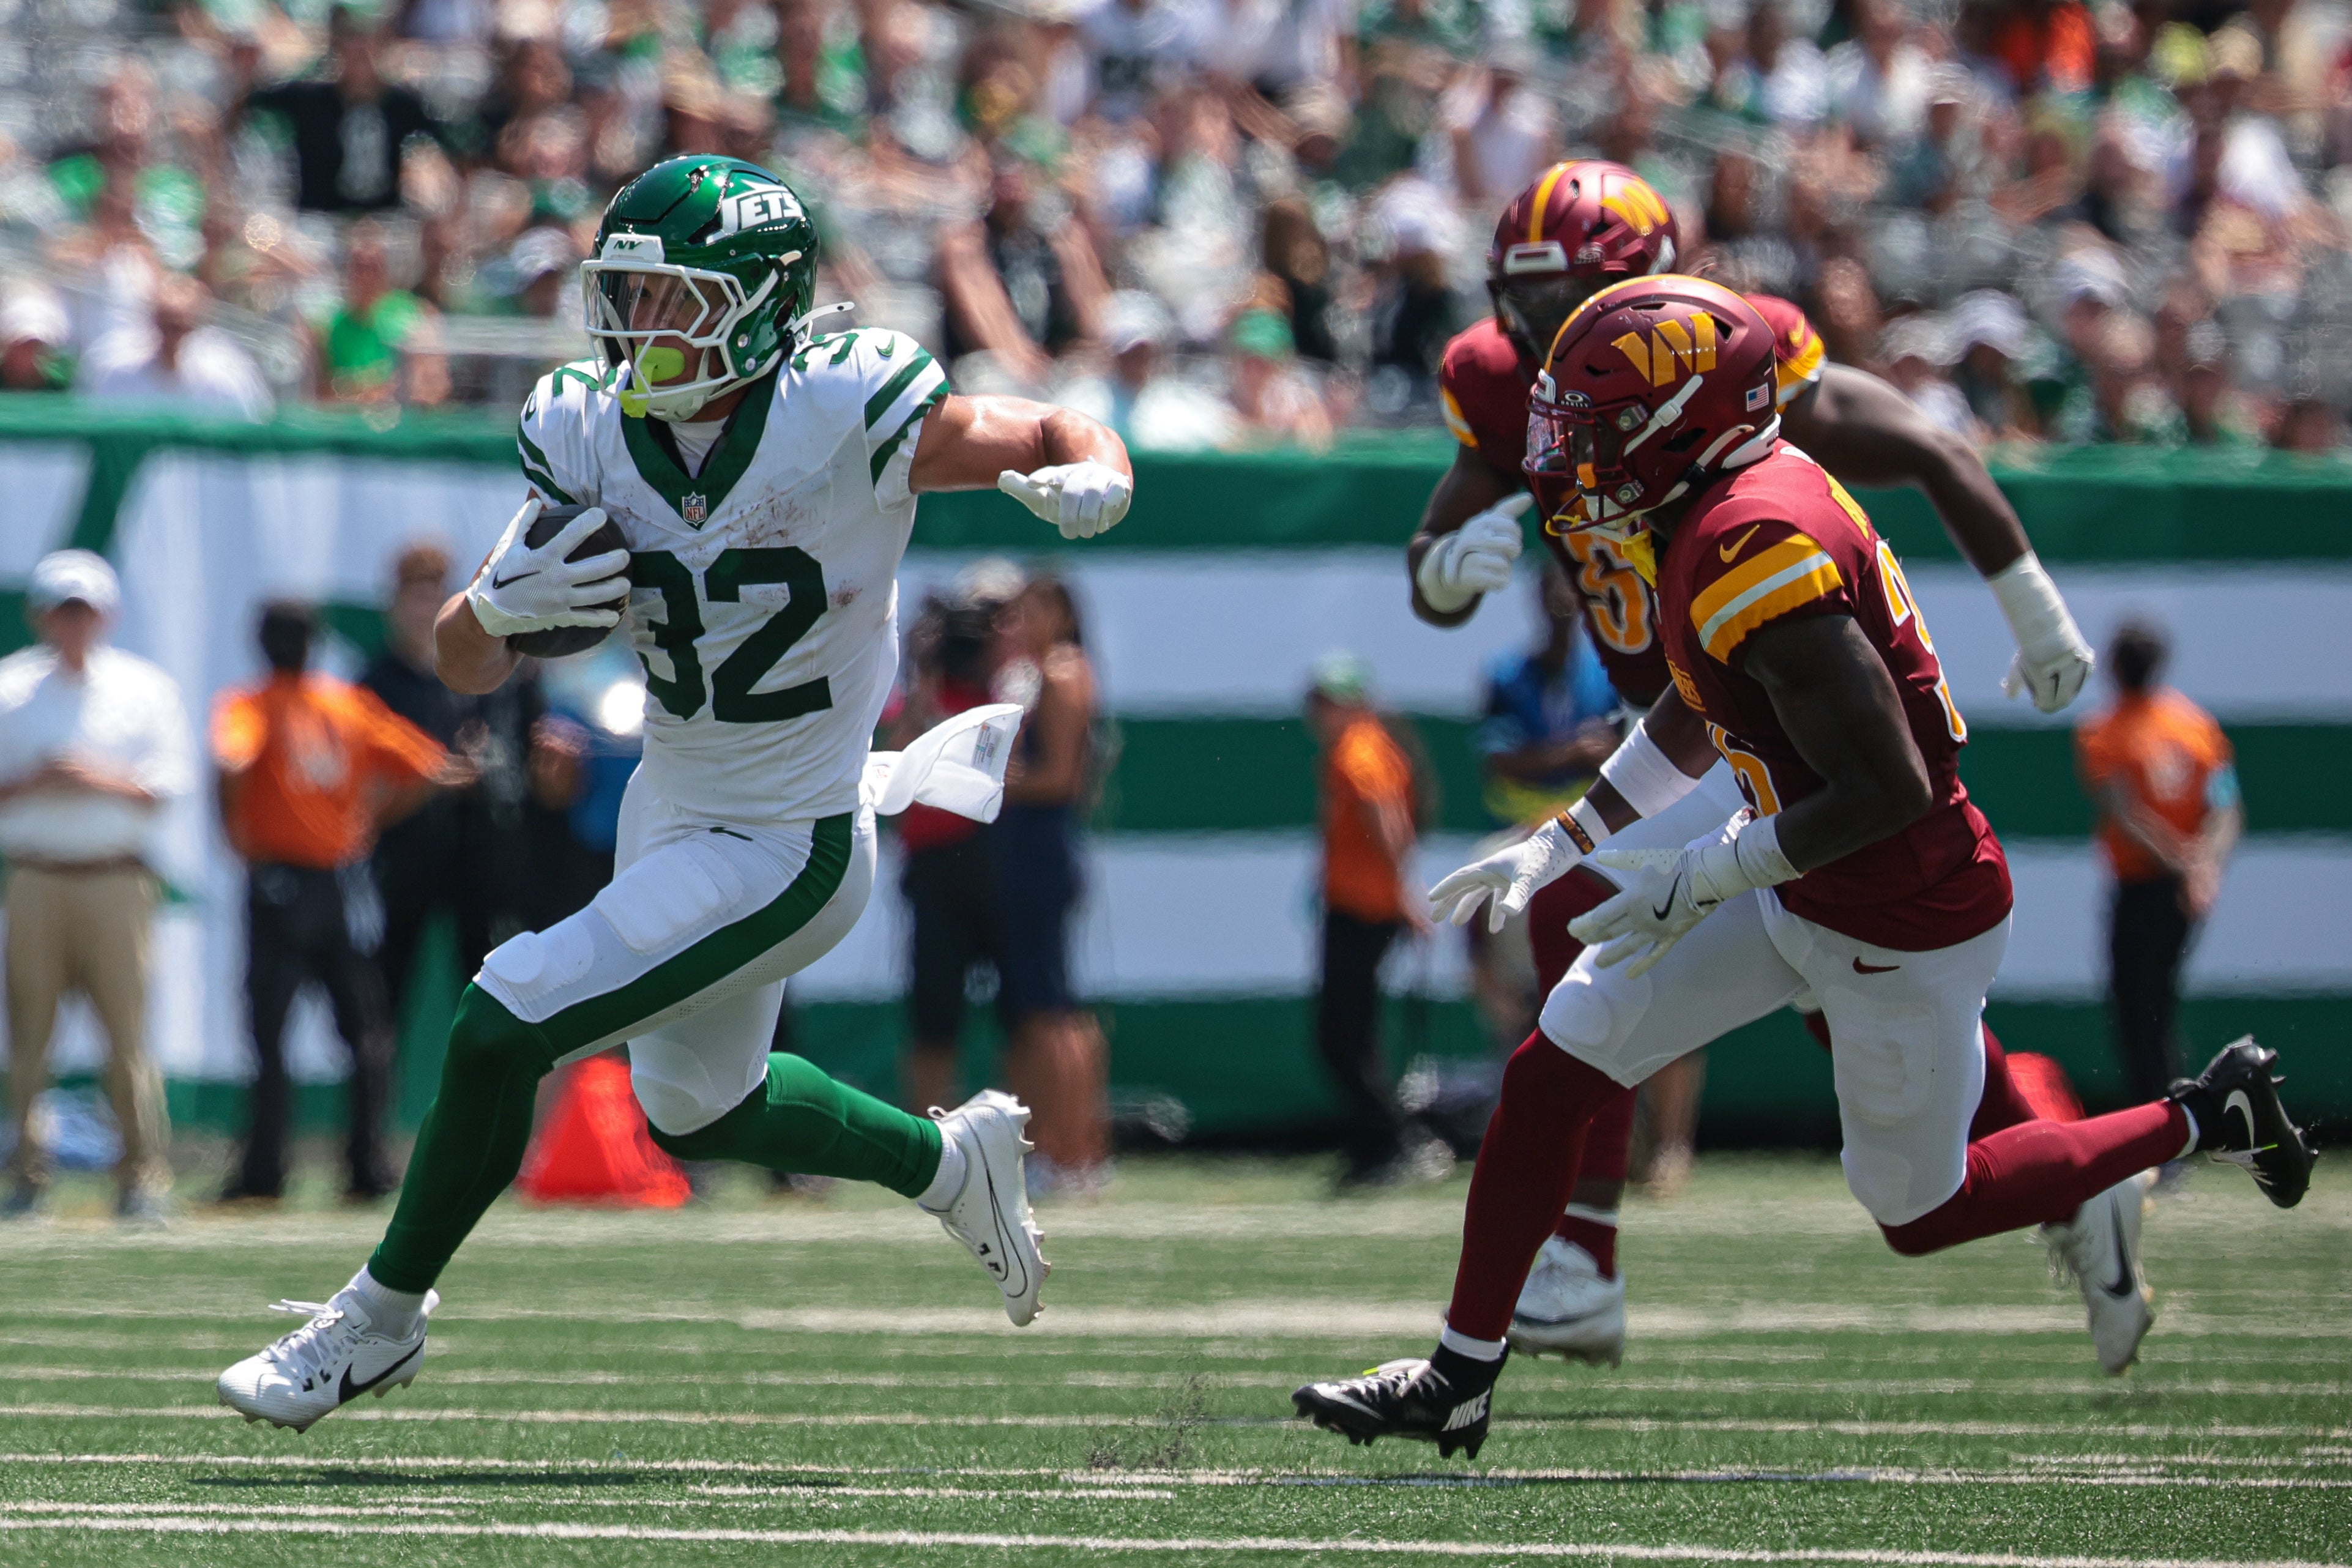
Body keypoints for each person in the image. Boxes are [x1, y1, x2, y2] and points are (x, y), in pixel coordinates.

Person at [1295, 279, 2315, 1458]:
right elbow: (1701, 694)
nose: (1567, 449)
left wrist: (1701, 876)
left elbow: (1891, 788)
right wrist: (1567, 835)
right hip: (1802, 873)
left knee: (1922, 1209)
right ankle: (1457, 1377)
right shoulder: (1720, 505)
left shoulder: (1745, 538)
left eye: (1594, 420)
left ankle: (2200, 1114)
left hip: (1900, 906)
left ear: (1677, 422)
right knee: (1556, 1060)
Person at [215, 156, 1136, 1434]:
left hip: (790, 840)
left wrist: (1096, 464)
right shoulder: (586, 426)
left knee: (504, 1012)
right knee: (698, 1108)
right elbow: (462, 658)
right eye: (629, 298)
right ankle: (947, 1163)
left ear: (762, 306)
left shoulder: (841, 406)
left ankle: (376, 1318)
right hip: (673, 798)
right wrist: (493, 611)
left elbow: (1039, 429)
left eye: (674, 302)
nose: (641, 329)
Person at [1407, 160, 2099, 1369]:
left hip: (1760, 729)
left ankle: (1584, 1254)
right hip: (1673, 725)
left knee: (1643, 937)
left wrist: (2030, 608)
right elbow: (1450, 525)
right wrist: (1435, 571)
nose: (1530, 333)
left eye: (1562, 296)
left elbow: (1924, 453)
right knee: (1802, 1001)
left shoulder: (1716, 362)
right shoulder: (1511, 380)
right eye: (1518, 301)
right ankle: (2069, 1166)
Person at [212, 601, 458, 1207]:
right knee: (365, 1031)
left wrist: (235, 832)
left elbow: (231, 759)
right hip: (340, 881)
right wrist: (367, 821)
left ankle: (266, 1170)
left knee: (270, 1029)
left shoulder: (252, 703)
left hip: (280, 880)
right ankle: (365, 1165)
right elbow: (431, 766)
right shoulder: (345, 704)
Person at [0, 551, 193, 1223]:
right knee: (28, 1033)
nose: (73, 622)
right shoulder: (10, 688)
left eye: (83, 609)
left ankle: (142, 1175)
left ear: (105, 615)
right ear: (42, 616)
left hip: (116, 877)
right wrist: (38, 780)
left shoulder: (144, 689)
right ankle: (27, 1175)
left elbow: (164, 785)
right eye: (62, 609)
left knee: (127, 1035)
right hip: (36, 874)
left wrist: (93, 776)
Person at [360, 543, 543, 1048]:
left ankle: (490, 1123)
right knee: (381, 1000)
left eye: (433, 596)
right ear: (395, 604)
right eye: (413, 597)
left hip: (482, 856)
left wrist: (489, 768)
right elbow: (362, 786)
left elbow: (525, 756)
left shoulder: (493, 675)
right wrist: (429, 776)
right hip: (404, 858)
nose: (422, 610)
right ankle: (368, 1125)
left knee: (488, 992)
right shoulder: (377, 682)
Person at [2077, 621, 2241, 1105]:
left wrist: (2183, 863)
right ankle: (2174, 1113)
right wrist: (2204, 866)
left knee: (2137, 1008)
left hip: (2144, 885)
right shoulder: (2196, 726)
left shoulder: (2104, 731)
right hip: (2184, 889)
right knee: (2160, 1004)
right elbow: (2226, 807)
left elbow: (2126, 813)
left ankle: (2162, 1121)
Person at [994, 571, 1110, 1192]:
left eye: (1029, 609)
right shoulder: (1032, 673)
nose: (1016, 621)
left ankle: (1074, 1153)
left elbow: (1059, 777)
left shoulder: (1064, 672)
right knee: (1041, 1009)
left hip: (1044, 847)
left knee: (1053, 1010)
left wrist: (989, 777)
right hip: (1028, 848)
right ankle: (1066, 1149)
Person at [1306, 652, 1440, 1187]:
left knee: (1341, 1035)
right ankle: (1379, 1139)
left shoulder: (1358, 747)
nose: (1318, 712)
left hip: (1365, 906)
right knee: (1353, 1033)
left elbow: (1388, 815)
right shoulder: (1366, 743)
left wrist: (1403, 890)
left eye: (1328, 701)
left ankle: (1390, 1138)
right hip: (1361, 901)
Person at [78, 274, 274, 422]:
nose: (173, 334)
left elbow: (252, 430)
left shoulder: (227, 372)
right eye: (167, 323)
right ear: (154, 320)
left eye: (181, 326)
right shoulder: (116, 368)